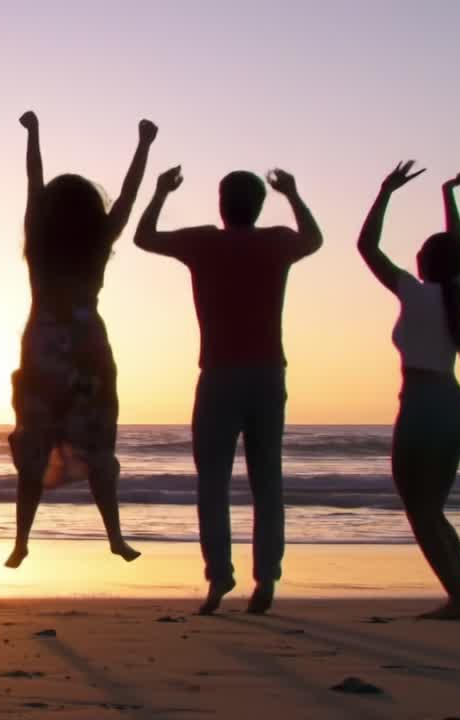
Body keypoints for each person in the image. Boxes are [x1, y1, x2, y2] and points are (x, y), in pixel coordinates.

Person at [135, 165, 322, 615]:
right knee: (267, 481)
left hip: (219, 374)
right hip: (267, 373)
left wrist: (160, 192)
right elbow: (313, 239)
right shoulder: (276, 241)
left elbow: (144, 237)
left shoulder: (204, 242)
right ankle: (266, 577)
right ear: (258, 206)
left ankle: (219, 574)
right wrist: (293, 193)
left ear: (221, 204)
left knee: (213, 483)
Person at [357, 161, 460, 620]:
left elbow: (367, 247)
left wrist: (386, 191)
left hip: (422, 409)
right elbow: (458, 247)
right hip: (454, 408)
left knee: (421, 511)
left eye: (422, 251)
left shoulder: (414, 290)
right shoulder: (457, 294)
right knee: (433, 510)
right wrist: (449, 194)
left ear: (425, 261)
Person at [6, 110, 155, 571]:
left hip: (43, 347)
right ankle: (115, 536)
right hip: (87, 346)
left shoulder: (40, 238)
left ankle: (21, 541)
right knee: (99, 447)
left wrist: (33, 134)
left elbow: (33, 182)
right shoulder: (97, 239)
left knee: (35, 446)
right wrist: (144, 145)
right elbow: (128, 197)